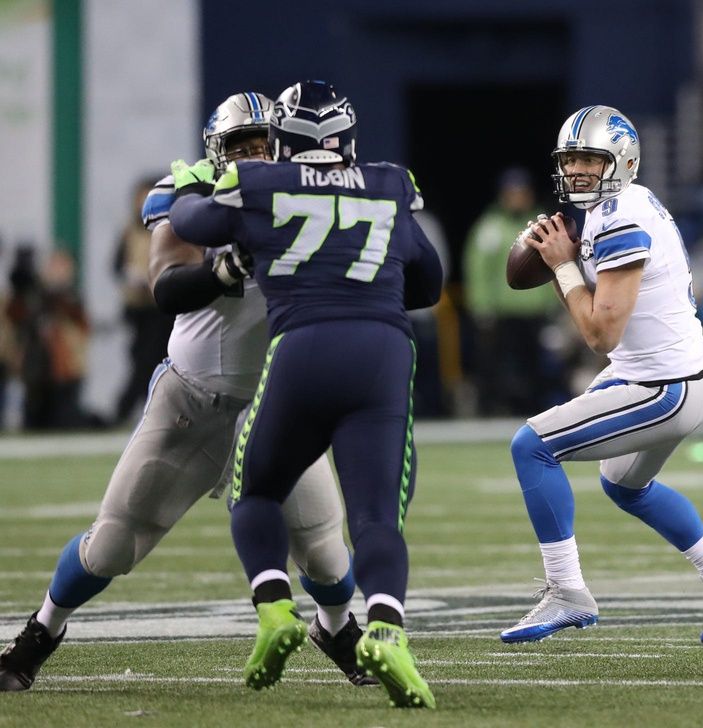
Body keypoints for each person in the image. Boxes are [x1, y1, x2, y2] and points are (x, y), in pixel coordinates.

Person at [0, 92, 374, 692]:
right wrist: (226, 270)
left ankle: (335, 629)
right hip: (191, 405)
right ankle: (41, 632)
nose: (252, 157)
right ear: (214, 152)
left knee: (328, 554)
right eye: (238, 147)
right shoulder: (194, 192)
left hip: (273, 407)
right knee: (113, 545)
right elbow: (167, 286)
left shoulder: (306, 196)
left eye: (261, 145)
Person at [168, 80, 442, 709]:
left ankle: (273, 607)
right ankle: (388, 630)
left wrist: (190, 182)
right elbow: (428, 282)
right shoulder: (388, 181)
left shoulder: (262, 186)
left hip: (302, 350)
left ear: (284, 137)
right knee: (377, 515)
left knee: (256, 488)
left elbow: (189, 220)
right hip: (382, 354)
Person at [501, 105, 703, 646]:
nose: (575, 171)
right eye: (569, 160)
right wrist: (564, 263)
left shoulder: (621, 215)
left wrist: (562, 266)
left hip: (662, 385)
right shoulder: (625, 203)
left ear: (621, 161)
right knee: (625, 484)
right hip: (671, 374)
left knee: (531, 446)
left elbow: (601, 335)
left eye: (588, 160)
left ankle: (566, 590)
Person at [463, 167, 563, 415]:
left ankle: (536, 414)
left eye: (521, 192)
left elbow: (555, 265)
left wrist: (554, 304)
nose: (517, 197)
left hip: (535, 312)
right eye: (512, 192)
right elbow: (477, 269)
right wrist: (481, 307)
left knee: (536, 369)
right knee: (494, 367)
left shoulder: (542, 225)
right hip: (502, 312)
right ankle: (490, 413)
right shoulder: (491, 227)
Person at [112, 176, 175, 423]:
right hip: (140, 308)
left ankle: (149, 413)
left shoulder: (170, 228)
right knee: (142, 361)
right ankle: (128, 412)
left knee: (160, 360)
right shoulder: (130, 231)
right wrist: (133, 277)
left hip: (164, 307)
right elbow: (117, 265)